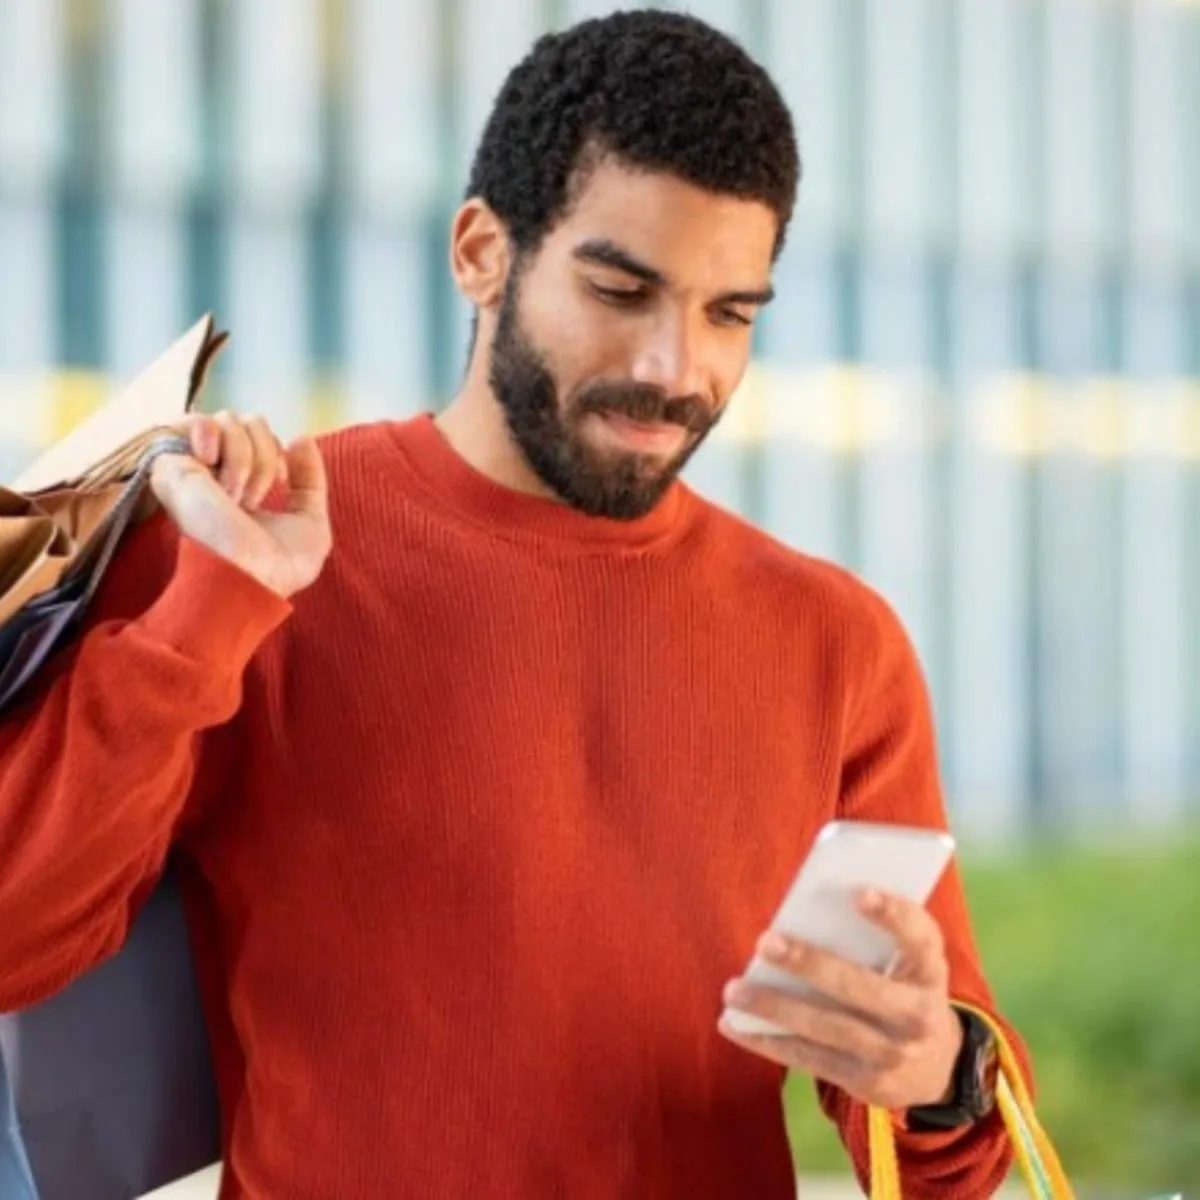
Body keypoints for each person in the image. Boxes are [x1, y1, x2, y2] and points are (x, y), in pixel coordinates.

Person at [0, 11, 1030, 1198]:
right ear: (482, 250)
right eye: (620, 287)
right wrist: (204, 617)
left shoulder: (837, 644)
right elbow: (17, 939)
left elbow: (958, 1158)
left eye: (729, 313)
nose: (673, 367)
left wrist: (938, 1069)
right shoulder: (251, 555)